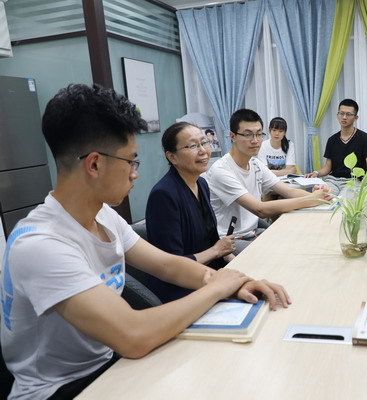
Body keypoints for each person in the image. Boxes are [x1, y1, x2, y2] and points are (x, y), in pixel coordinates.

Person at [0, 84, 290, 400]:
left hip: (110, 364)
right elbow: (133, 335)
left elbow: (167, 265)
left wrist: (235, 281)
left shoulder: (103, 216)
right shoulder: (41, 244)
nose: (135, 174)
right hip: (61, 388)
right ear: (94, 164)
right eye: (131, 161)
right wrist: (218, 288)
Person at [205, 109, 330, 252]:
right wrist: (312, 199)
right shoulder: (221, 170)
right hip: (230, 240)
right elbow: (260, 209)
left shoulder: (255, 164)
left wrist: (323, 197)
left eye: (259, 134)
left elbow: (289, 191)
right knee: (282, 251)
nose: (255, 140)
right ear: (233, 136)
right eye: (248, 135)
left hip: (252, 232)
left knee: (299, 239)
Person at [145, 122, 236, 303]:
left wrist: (229, 256)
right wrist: (216, 251)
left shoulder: (201, 183)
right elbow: (172, 264)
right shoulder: (163, 195)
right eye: (193, 146)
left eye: (204, 142)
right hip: (181, 286)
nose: (203, 151)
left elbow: (210, 237)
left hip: (208, 271)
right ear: (172, 157)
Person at [304, 99, 367, 194]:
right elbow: (328, 167)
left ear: (356, 118)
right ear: (337, 115)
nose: (344, 117)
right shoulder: (332, 140)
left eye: (348, 114)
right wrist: (316, 173)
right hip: (332, 180)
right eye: (341, 113)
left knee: (344, 199)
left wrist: (364, 182)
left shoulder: (364, 138)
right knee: (320, 193)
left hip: (353, 181)